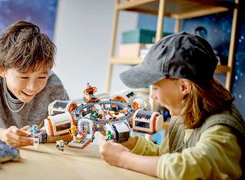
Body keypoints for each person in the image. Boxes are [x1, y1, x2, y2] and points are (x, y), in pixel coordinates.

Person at [99, 32, 245, 179]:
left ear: (184, 87)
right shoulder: (185, 114)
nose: (152, 96)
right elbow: (165, 156)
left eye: (155, 87)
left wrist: (123, 159)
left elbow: (190, 166)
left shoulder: (221, 128)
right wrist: (126, 141)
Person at [0, 20, 69, 147]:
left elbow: (71, 130)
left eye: (41, 76)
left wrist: (36, 136)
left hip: (36, 151)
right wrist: (2, 134)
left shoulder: (53, 84)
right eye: (24, 77)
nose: (32, 87)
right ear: (2, 70)